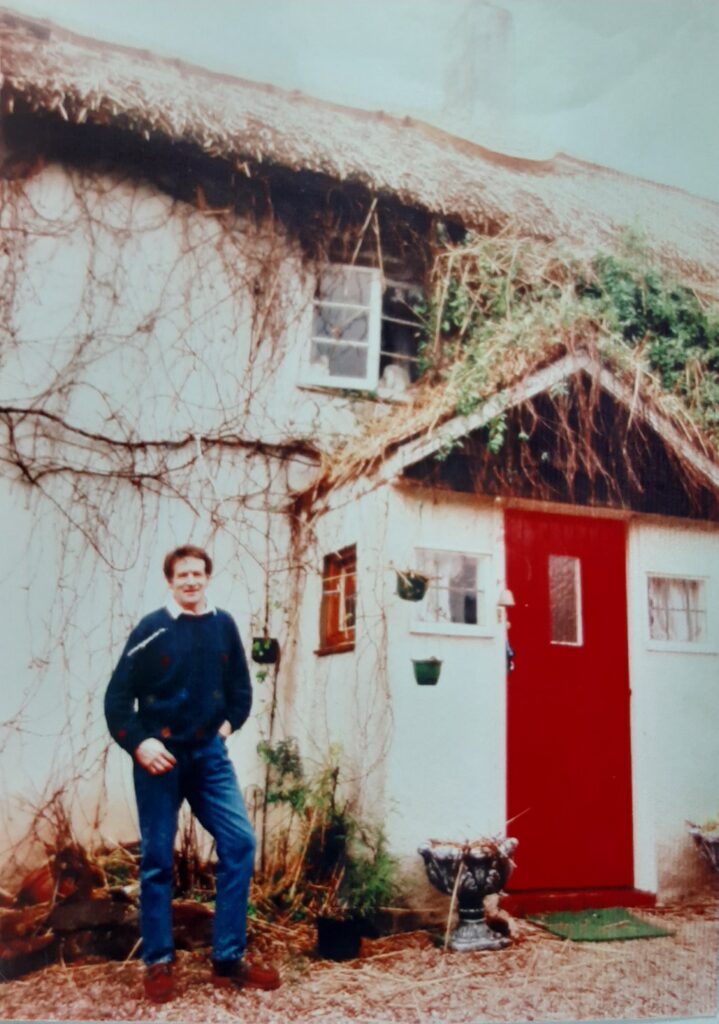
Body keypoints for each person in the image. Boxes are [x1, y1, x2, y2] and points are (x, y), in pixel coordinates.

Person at [105, 545, 280, 1003]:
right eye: (181, 575)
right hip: (160, 759)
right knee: (158, 859)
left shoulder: (223, 626)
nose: (190, 581)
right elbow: (117, 700)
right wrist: (140, 743)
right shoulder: (151, 629)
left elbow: (240, 690)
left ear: (207, 577)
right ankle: (158, 962)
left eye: (197, 574)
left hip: (208, 757)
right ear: (169, 581)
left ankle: (227, 960)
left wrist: (224, 729)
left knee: (240, 842)